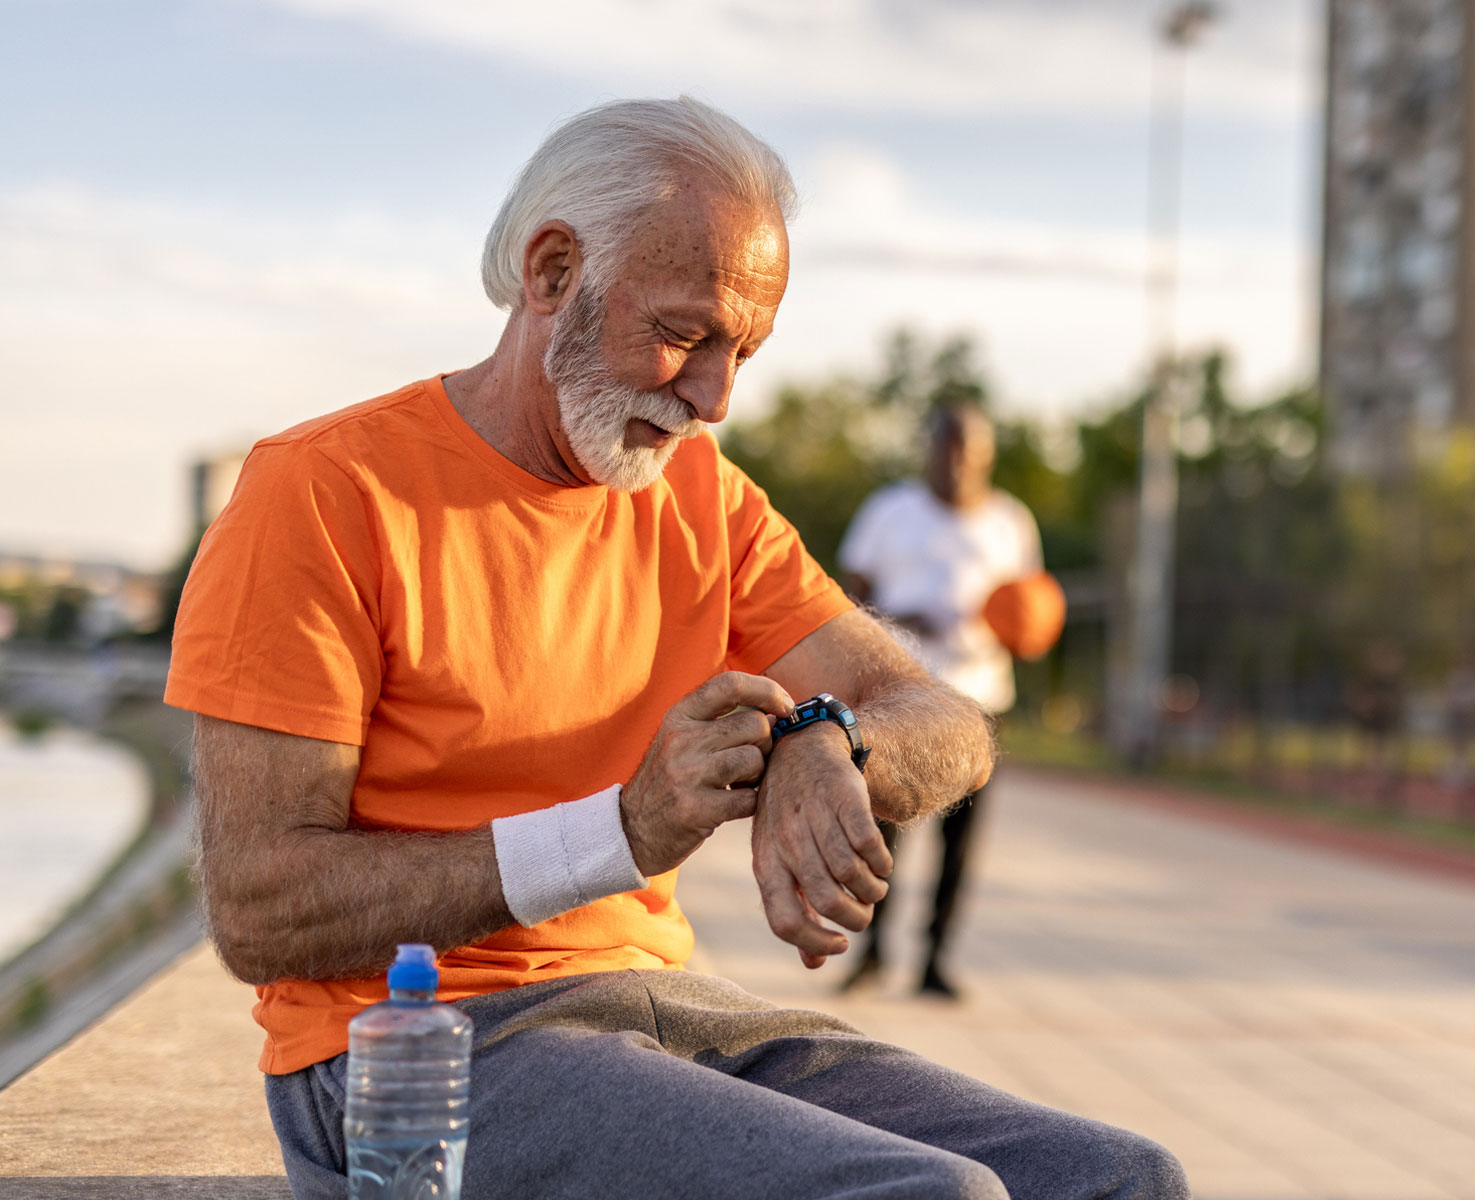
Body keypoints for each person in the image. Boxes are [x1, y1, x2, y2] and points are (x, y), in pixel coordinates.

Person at [168, 97, 1187, 1200]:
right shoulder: (321, 493)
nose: (712, 399)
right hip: (409, 1052)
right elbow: (261, 910)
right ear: (551, 271)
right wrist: (620, 831)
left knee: (1120, 1178)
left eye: (743, 351)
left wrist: (824, 738)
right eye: (685, 334)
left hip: (653, 1007)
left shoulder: (703, 499)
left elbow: (947, 722)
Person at [835, 404, 1041, 1000]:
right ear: (930, 449)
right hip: (902, 695)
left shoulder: (1010, 521)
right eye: (948, 447)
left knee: (962, 843)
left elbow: (1029, 607)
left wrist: (1022, 631)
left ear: (987, 456)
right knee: (885, 829)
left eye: (970, 451)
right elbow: (846, 599)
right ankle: (872, 954)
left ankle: (934, 960)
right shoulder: (889, 512)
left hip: (979, 702)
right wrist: (903, 620)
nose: (957, 461)